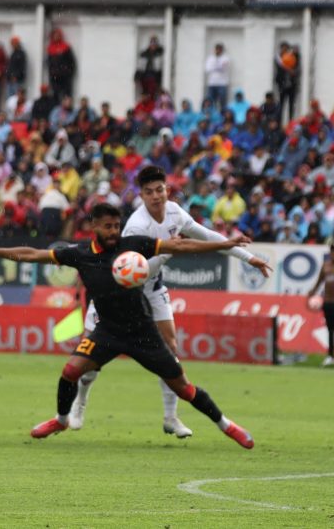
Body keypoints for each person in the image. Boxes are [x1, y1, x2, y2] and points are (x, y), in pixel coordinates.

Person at [0, 202, 256, 449]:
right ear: (94, 226)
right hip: (107, 331)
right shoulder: (80, 254)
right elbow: (33, 255)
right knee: (70, 371)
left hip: (143, 332)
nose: (114, 231)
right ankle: (62, 420)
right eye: (108, 226)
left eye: (117, 226)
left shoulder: (133, 246)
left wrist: (225, 244)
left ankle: (227, 425)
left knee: (184, 389)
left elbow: (180, 245)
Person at [70, 166, 271, 437]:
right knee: (90, 356)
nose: (156, 196)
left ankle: (170, 417)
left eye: (160, 190)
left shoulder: (175, 212)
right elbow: (134, 271)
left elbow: (208, 236)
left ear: (167, 190)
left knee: (171, 348)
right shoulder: (137, 226)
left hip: (152, 289)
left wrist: (249, 258)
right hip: (117, 293)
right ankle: (80, 403)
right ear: (142, 196)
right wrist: (170, 250)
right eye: (149, 192)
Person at [46, 28, 77, 98]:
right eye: (54, 35)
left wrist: (69, 72)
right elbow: (49, 63)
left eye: (57, 35)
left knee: (66, 94)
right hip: (54, 76)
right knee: (55, 94)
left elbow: (71, 61)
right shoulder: (50, 48)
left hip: (65, 75)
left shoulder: (66, 47)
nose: (56, 37)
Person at [274, 42, 299, 123]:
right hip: (282, 85)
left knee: (291, 104)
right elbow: (280, 66)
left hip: (291, 85)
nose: (285, 50)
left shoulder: (292, 57)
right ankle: (279, 122)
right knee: (281, 104)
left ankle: (290, 122)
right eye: (283, 48)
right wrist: (289, 69)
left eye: (286, 48)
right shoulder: (278, 58)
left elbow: (297, 65)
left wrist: (296, 53)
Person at [204, 43, 231, 109]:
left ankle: (223, 113)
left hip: (222, 83)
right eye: (217, 49)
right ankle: (212, 113)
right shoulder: (210, 58)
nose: (218, 51)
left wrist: (214, 66)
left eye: (219, 49)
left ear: (222, 50)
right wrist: (217, 66)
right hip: (212, 83)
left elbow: (224, 68)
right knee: (211, 101)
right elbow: (207, 69)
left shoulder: (225, 58)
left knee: (222, 101)